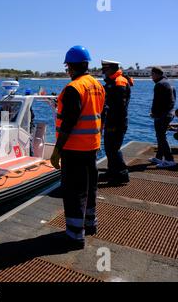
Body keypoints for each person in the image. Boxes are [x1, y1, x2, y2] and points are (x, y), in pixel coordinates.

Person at [50, 46, 105, 249]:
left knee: (74, 192)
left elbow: (68, 123)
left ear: (70, 66)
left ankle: (75, 235)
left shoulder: (74, 88)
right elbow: (100, 115)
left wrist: (56, 151)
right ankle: (90, 224)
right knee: (89, 187)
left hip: (74, 149)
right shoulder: (97, 85)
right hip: (92, 147)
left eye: (67, 68)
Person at [99, 60, 133, 185]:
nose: (104, 73)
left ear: (112, 69)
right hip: (111, 121)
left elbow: (119, 106)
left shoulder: (119, 82)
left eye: (105, 70)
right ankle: (112, 172)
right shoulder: (112, 82)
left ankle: (122, 175)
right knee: (109, 148)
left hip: (116, 122)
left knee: (113, 149)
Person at [149, 67, 177, 168]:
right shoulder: (170, 83)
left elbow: (156, 102)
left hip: (162, 115)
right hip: (170, 113)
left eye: (152, 74)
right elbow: (173, 100)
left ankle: (169, 160)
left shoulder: (159, 84)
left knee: (161, 137)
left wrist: (154, 113)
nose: (151, 77)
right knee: (160, 136)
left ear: (156, 74)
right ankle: (159, 157)